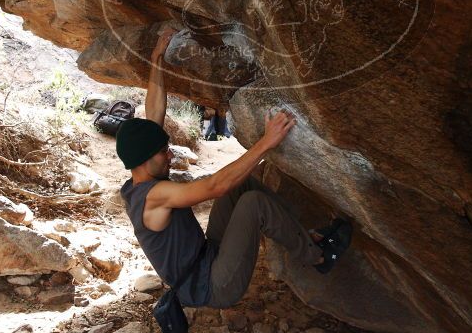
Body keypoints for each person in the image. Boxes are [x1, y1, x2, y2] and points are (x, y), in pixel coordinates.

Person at [116, 28, 351, 309]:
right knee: (253, 204)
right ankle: (320, 257)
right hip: (212, 286)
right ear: (144, 160)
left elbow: (154, 114)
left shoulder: (140, 171)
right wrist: (266, 143)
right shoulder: (153, 196)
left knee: (242, 186)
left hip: (207, 256)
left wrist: (157, 59)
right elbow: (215, 186)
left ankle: (304, 234)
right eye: (163, 152)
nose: (170, 155)